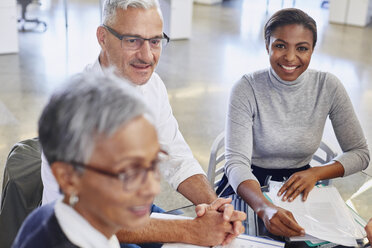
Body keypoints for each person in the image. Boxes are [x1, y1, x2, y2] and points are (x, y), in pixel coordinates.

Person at [40, 0, 246, 246]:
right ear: (102, 37)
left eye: (155, 41)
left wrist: (215, 207)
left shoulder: (151, 85)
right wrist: (191, 230)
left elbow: (176, 158)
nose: (147, 56)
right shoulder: (76, 110)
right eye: (132, 40)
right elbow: (95, 218)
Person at [223, 8, 370, 237]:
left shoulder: (328, 86)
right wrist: (263, 207)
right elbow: (236, 163)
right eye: (280, 45)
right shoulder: (246, 88)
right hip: (248, 184)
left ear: (312, 50)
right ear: (267, 45)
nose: (290, 58)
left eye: (302, 48)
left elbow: (360, 153)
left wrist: (317, 173)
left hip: (300, 186)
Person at [13, 72, 162, 247]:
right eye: (129, 172)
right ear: (68, 178)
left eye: (154, 164)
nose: (153, 188)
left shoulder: (51, 215)